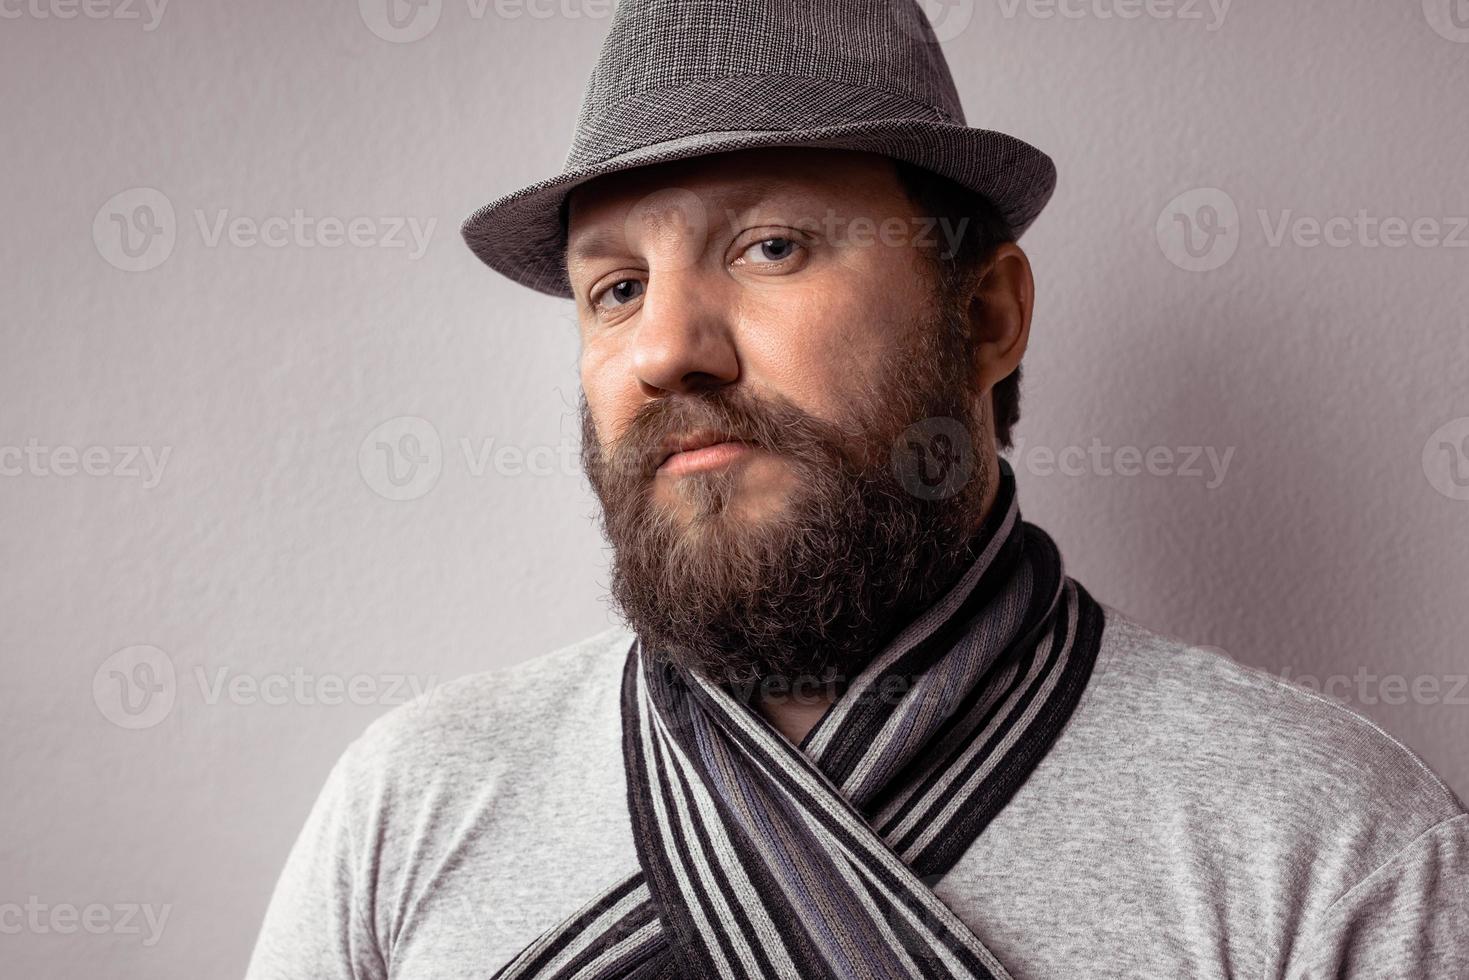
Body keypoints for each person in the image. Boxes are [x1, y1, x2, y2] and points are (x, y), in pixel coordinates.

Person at [245, 2, 1469, 977]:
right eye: (613, 287)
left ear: (982, 313)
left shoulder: (1329, 844)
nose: (667, 345)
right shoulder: (407, 803)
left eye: (768, 246)